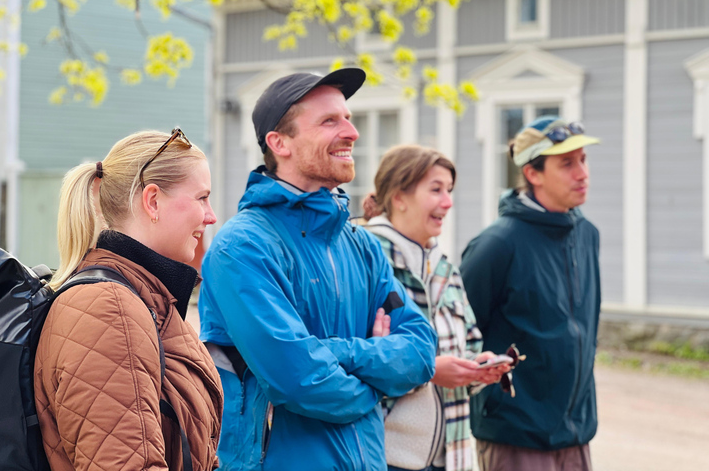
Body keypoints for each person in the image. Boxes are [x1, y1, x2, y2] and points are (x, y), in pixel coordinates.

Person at [199, 68, 438, 471]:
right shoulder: (242, 248)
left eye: (347, 117)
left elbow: (420, 351)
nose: (352, 132)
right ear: (279, 143)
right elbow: (300, 382)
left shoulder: (361, 245)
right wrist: (376, 384)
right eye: (330, 121)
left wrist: (335, 350)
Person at [34, 128, 223, 470]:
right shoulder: (110, 309)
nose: (211, 216)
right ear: (152, 201)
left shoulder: (144, 299)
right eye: (202, 198)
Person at [459, 116, 601, 471]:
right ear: (533, 174)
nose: (582, 173)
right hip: (515, 435)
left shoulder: (587, 235)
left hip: (576, 433)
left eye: (583, 160)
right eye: (567, 163)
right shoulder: (496, 244)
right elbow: (461, 334)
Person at [362, 144, 510, 471]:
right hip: (382, 458)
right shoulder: (363, 262)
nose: (448, 201)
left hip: (451, 458)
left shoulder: (447, 270)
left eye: (450, 190)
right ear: (399, 197)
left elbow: (469, 343)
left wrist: (477, 369)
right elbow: (354, 364)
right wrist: (429, 372)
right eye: (436, 190)